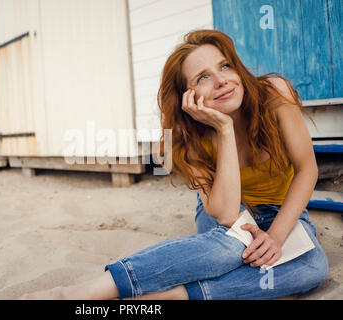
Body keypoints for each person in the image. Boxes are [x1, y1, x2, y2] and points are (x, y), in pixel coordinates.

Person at [19, 29, 328, 300]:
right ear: (188, 96)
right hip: (229, 209)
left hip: (282, 207)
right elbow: (226, 213)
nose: (221, 81)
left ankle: (175, 295)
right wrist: (223, 129)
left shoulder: (273, 94)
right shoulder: (184, 134)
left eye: (225, 65)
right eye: (203, 77)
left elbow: (306, 169)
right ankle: (84, 293)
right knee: (231, 249)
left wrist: (274, 237)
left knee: (313, 267)